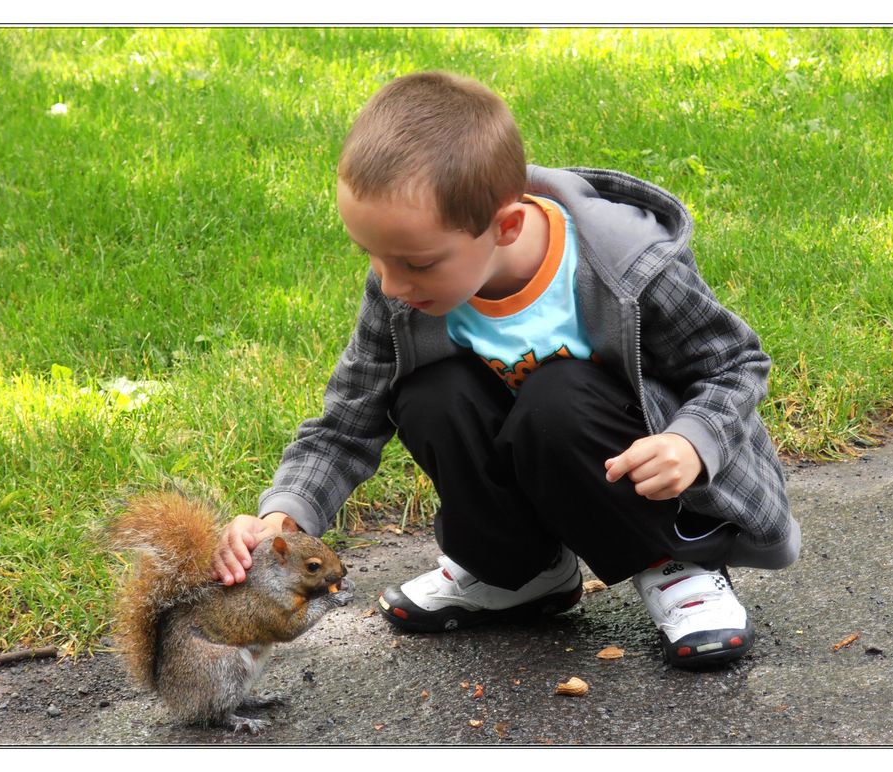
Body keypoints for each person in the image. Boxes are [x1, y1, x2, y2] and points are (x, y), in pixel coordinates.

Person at [211, 70, 801, 668]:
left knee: (557, 396)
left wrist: (692, 441)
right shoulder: (405, 292)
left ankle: (675, 567)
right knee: (429, 394)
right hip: (540, 461)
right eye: (374, 257)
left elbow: (735, 362)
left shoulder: (624, 267)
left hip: (646, 478)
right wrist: (281, 517)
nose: (390, 283)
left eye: (415, 262)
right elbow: (347, 420)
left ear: (506, 226)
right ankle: (519, 574)